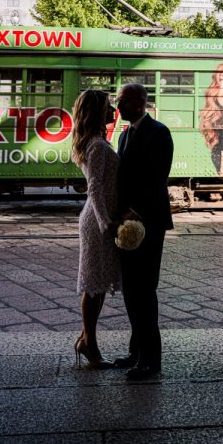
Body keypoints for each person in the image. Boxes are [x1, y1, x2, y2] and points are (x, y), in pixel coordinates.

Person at [114, 82, 174, 380]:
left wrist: (134, 209)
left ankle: (151, 359)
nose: (118, 105)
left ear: (139, 101)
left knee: (145, 290)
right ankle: (136, 351)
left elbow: (156, 178)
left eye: (122, 100)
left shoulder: (159, 132)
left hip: (148, 221)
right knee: (130, 289)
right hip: (126, 222)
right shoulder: (125, 135)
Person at [71, 89, 120, 368]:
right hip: (98, 221)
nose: (113, 110)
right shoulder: (98, 145)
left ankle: (85, 340)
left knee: (98, 284)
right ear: (97, 111)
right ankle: (90, 345)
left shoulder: (92, 141)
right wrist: (106, 222)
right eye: (108, 106)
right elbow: (95, 187)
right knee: (93, 286)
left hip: (97, 218)